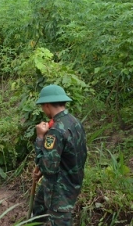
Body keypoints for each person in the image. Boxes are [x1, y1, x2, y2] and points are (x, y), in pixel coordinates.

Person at [32, 85, 87, 225]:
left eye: (42, 107)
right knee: (38, 208)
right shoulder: (74, 122)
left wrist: (39, 138)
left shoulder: (55, 131)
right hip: (72, 179)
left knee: (60, 220)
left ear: (46, 105)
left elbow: (49, 169)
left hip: (60, 188)